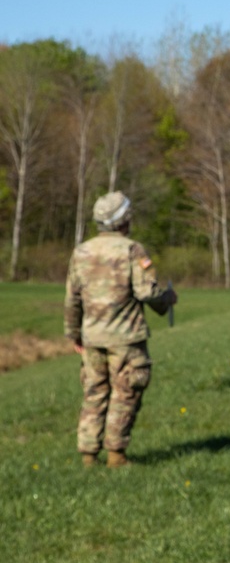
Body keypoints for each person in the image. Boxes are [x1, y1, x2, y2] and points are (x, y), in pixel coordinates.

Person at [64, 191, 178, 468]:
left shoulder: (81, 252)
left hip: (92, 338)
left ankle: (88, 457)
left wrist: (73, 333)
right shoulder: (132, 250)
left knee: (94, 393)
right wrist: (167, 300)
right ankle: (116, 456)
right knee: (126, 393)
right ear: (125, 219)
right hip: (126, 339)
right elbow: (147, 292)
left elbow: (72, 298)